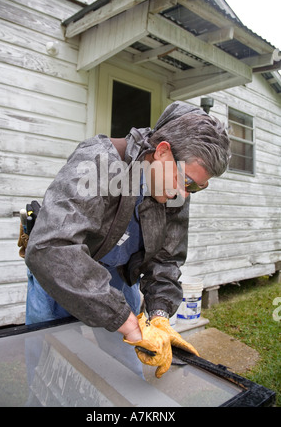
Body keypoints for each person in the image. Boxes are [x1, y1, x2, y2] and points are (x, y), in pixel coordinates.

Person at [24, 100, 230, 377]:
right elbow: (52, 247)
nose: (185, 193)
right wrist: (126, 321)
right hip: (60, 275)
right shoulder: (100, 160)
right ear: (162, 151)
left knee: (127, 375)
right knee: (47, 373)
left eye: (197, 187)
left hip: (120, 280)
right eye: (187, 180)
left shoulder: (174, 188)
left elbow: (165, 258)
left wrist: (158, 316)